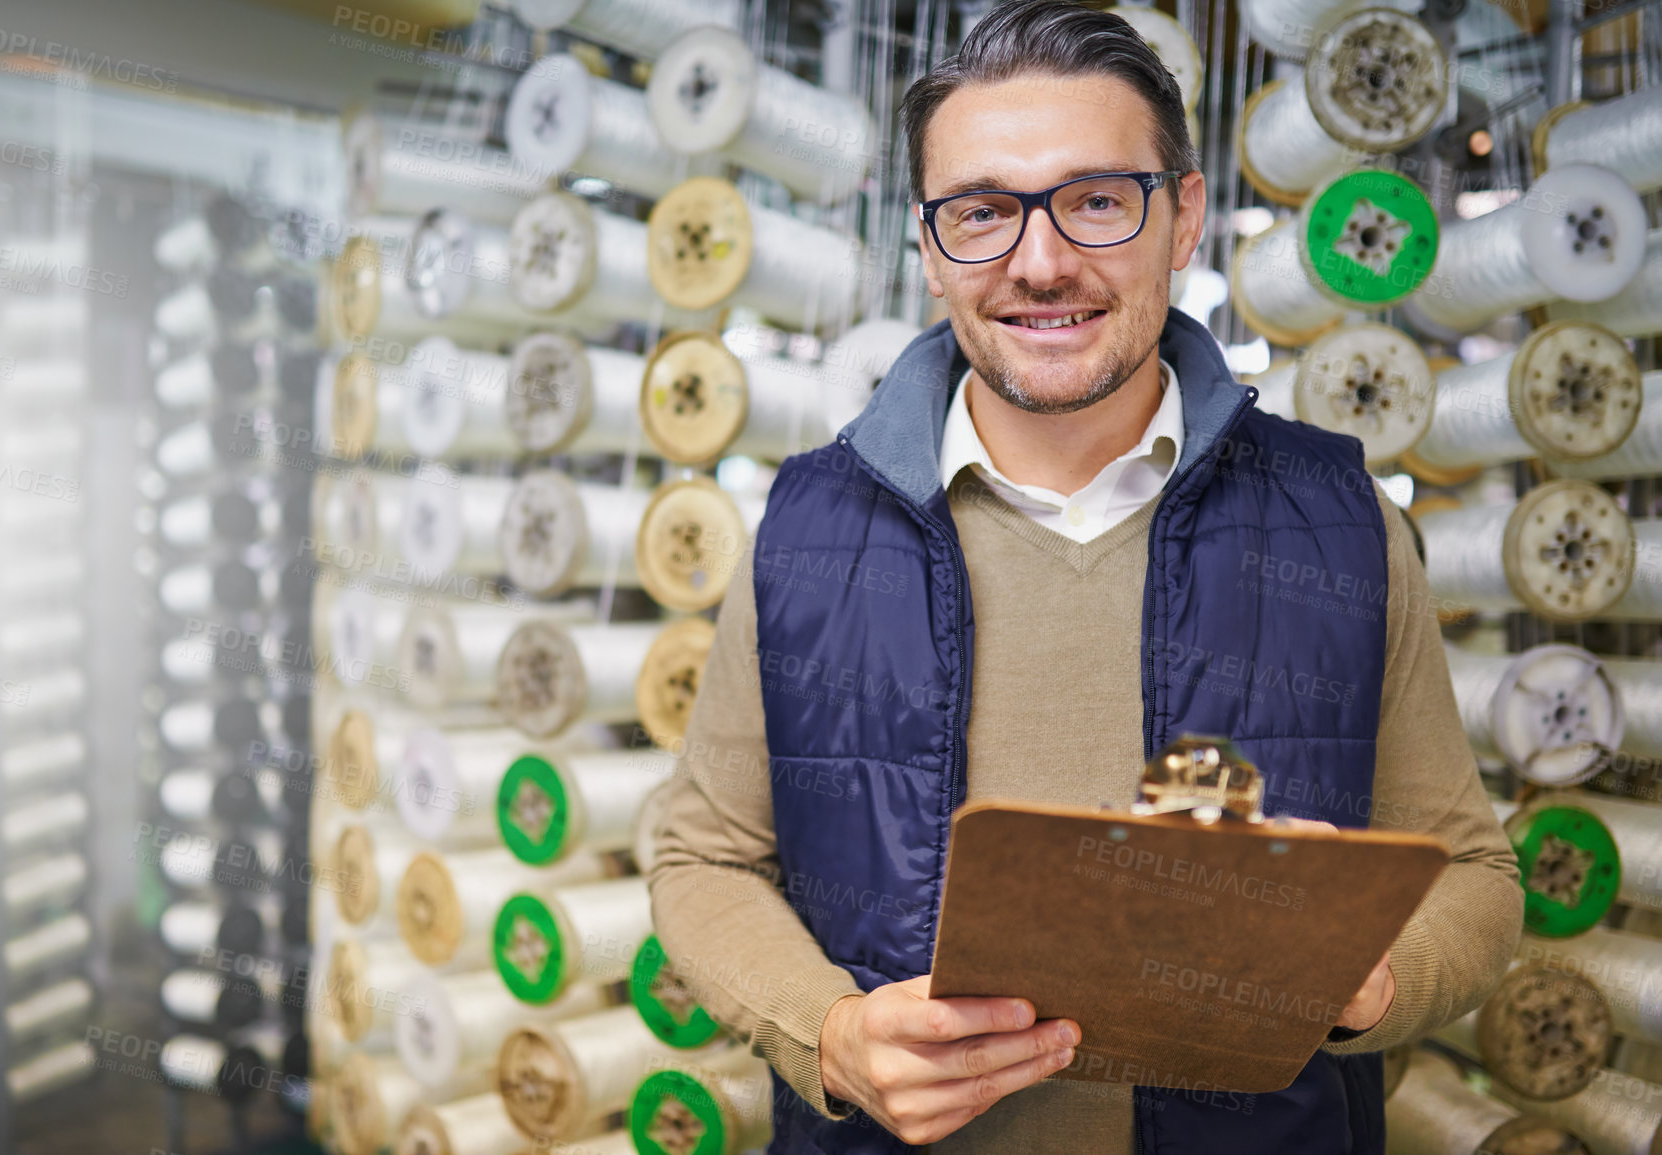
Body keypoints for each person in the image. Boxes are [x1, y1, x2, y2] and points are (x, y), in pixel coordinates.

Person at [648, 2, 1523, 1151]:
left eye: (1097, 201)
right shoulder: (812, 524)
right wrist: (829, 1033)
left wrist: (1371, 981)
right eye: (981, 213)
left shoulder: (1338, 520)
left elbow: (1476, 872)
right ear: (928, 246)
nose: (1041, 263)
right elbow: (701, 857)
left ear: (1183, 220)